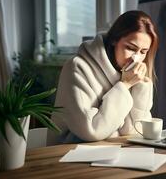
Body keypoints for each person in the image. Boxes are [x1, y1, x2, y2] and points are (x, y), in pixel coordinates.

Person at [47, 10, 159, 145]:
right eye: (130, 48)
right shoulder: (77, 67)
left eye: (143, 52)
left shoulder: (129, 73)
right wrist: (124, 85)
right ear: (114, 40)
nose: (136, 58)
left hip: (113, 151)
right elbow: (91, 130)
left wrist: (140, 87)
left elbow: (135, 130)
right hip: (69, 153)